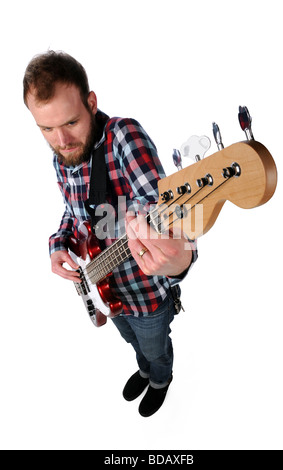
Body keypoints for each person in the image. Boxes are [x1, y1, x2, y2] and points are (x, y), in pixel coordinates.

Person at [23, 51, 197, 417]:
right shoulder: (61, 158)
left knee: (155, 346)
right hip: (105, 292)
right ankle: (145, 370)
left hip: (147, 295)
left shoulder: (123, 137)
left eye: (71, 122)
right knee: (132, 342)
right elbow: (74, 214)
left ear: (91, 102)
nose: (62, 139)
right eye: (46, 129)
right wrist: (57, 245)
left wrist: (179, 253)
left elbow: (162, 206)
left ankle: (160, 378)